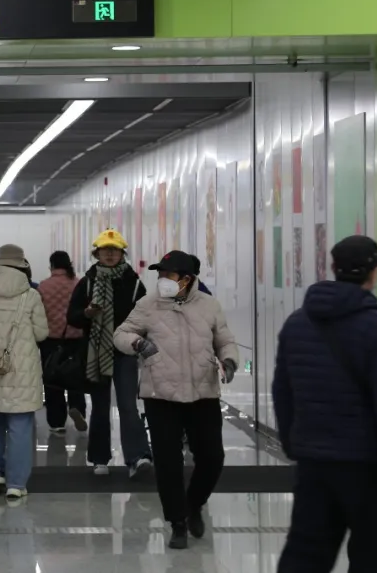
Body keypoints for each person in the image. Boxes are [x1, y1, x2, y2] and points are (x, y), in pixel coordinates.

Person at [273, 236, 377, 573]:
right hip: (368, 467)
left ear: (333, 267)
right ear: (374, 272)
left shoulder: (297, 323)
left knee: (305, 556)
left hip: (314, 463)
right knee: (373, 557)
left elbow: (283, 391)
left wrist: (295, 445)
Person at [114, 250, 239, 550]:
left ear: (186, 279)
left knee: (212, 458)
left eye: (168, 275)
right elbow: (121, 334)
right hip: (161, 395)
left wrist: (229, 361)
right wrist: (138, 343)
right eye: (160, 275)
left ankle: (193, 503)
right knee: (168, 463)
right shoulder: (148, 304)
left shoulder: (209, 305)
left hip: (203, 393)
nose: (162, 280)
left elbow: (225, 340)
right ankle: (177, 522)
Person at [67, 229, 153, 478]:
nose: (110, 254)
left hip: (125, 352)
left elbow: (146, 317)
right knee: (100, 407)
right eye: (105, 250)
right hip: (96, 353)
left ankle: (138, 457)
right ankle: (99, 458)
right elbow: (72, 317)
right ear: (97, 254)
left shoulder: (134, 283)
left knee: (127, 405)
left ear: (122, 254)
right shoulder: (87, 282)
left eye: (115, 250)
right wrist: (86, 314)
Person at [0, 244, 49, 501]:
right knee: (20, 425)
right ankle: (16, 483)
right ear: (22, 265)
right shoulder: (31, 295)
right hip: (22, 372)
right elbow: (42, 334)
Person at [37, 251, 87, 435]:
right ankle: (77, 408)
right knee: (75, 377)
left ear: (52, 265)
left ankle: (57, 422)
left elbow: (39, 314)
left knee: (52, 381)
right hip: (76, 338)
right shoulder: (78, 284)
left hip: (51, 340)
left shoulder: (44, 286)